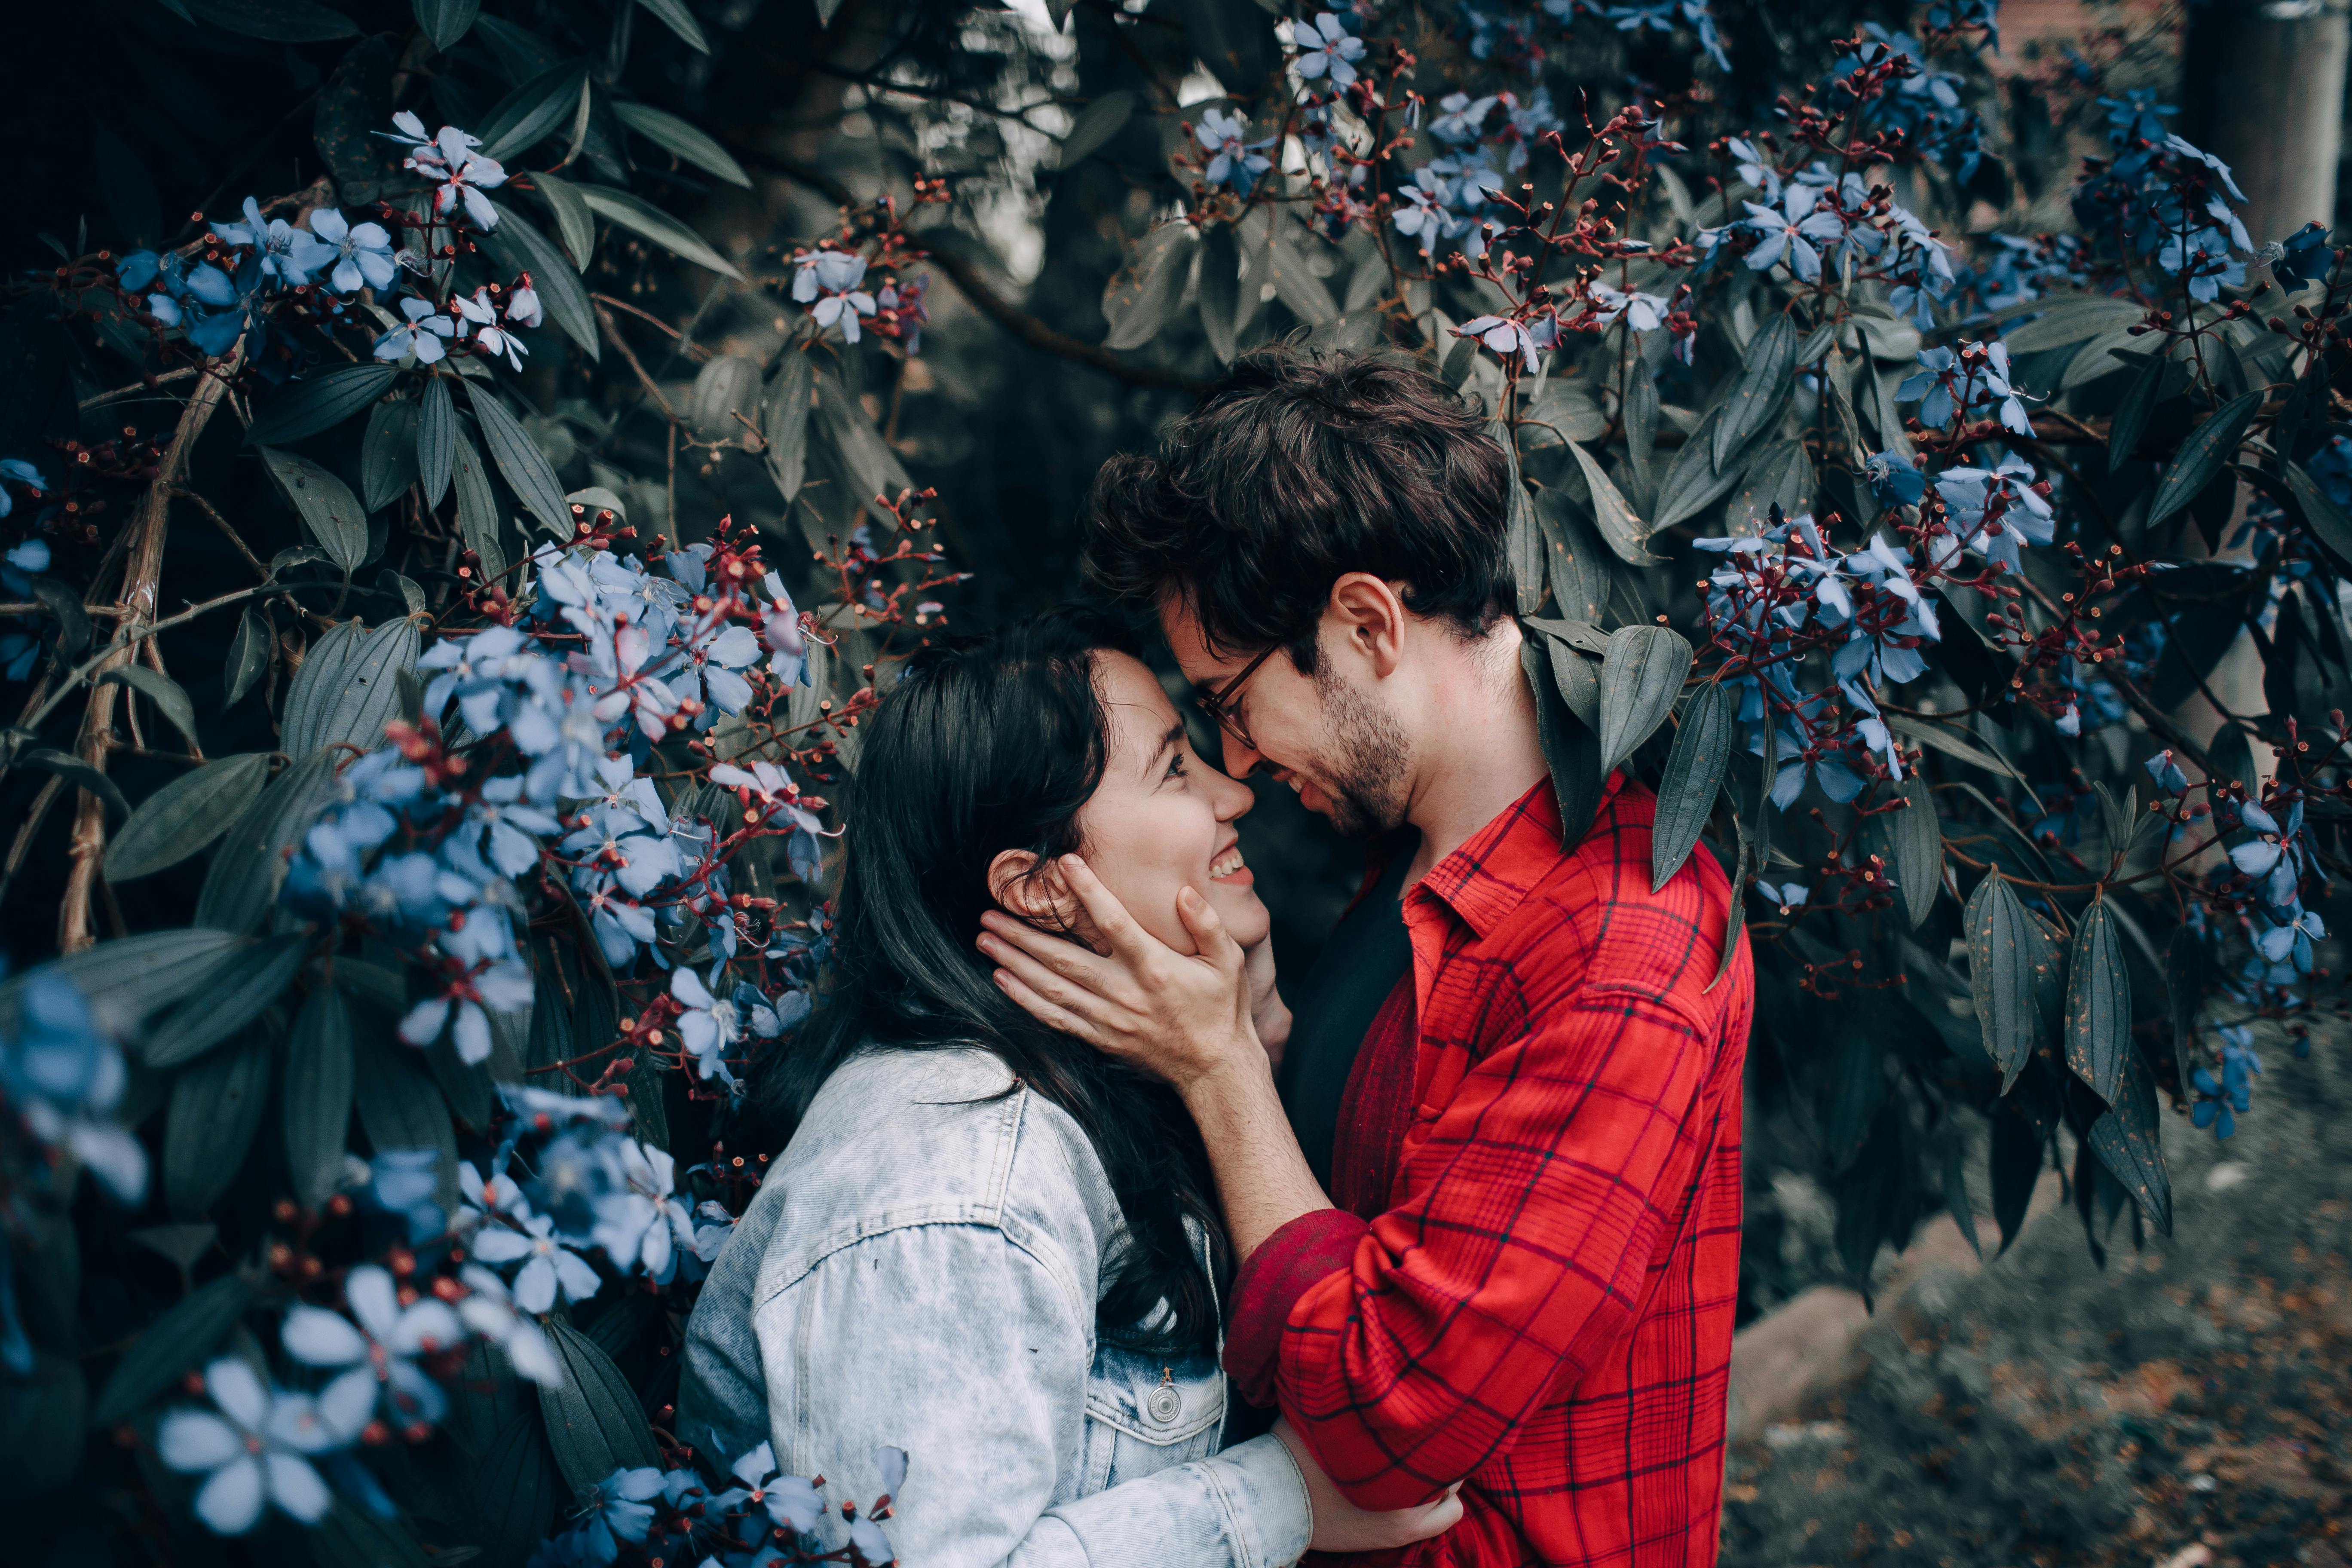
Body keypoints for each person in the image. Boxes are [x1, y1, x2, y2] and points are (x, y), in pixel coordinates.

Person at [977, 349, 1754, 1566]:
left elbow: (1402, 1418)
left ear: (1364, 623)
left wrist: (1220, 1069)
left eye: (1230, 700)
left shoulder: (1618, 945)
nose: (1236, 762)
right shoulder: (1422, 855)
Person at [675, 607, 1463, 1567]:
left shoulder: (1094, 1092)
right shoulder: (956, 1182)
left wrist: (1249, 1042)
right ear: (1041, 887)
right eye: (1176, 768)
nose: (1235, 795)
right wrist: (1280, 1499)